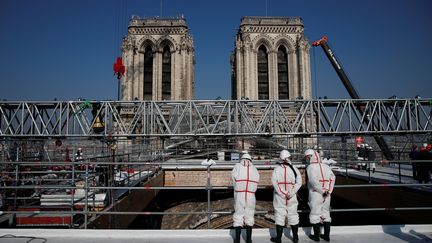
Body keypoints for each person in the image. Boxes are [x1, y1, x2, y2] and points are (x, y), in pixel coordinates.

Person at [270, 150, 302, 243]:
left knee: (279, 215)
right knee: (293, 215)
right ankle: (295, 238)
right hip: (291, 196)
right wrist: (291, 193)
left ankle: (278, 238)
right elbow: (299, 182)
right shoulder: (294, 169)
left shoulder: (276, 169)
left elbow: (274, 183)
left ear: (280, 158)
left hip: (279, 197)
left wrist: (282, 193)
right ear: (289, 157)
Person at [305, 149, 336, 242]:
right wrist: (328, 191)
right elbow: (332, 178)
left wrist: (322, 191)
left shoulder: (310, 167)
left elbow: (314, 181)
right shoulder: (326, 166)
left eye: (307, 157)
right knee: (326, 213)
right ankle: (327, 236)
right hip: (327, 194)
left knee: (315, 214)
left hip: (316, 193)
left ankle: (316, 237)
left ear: (310, 157)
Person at [232, 153, 260, 243]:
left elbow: (233, 178)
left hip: (239, 193)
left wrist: (237, 187)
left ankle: (237, 239)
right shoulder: (254, 168)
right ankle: (248, 239)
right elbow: (257, 180)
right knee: (250, 215)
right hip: (251, 194)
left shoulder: (237, 166)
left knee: (238, 215)